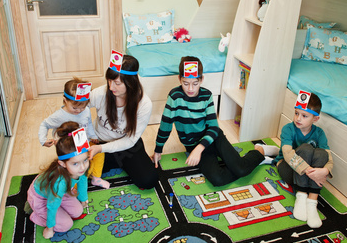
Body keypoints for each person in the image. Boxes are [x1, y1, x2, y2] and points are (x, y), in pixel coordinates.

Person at [151, 56, 264, 187]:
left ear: (201, 79)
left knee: (241, 169)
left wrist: (199, 149)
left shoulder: (207, 96)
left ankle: (259, 152)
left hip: (214, 138)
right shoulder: (174, 97)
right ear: (179, 79)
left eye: (195, 83)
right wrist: (158, 150)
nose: (190, 89)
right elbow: (166, 125)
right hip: (193, 144)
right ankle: (244, 163)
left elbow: (214, 127)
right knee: (218, 180)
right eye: (185, 83)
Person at [261, 91, 333, 228]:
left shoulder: (319, 133)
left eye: (304, 116)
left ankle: (312, 202)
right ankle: (301, 196)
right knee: (305, 149)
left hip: (307, 174)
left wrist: (324, 171)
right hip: (287, 167)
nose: (298, 119)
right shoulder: (288, 129)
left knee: (322, 154)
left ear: (315, 119)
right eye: (296, 113)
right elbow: (287, 153)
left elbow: (328, 157)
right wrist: (310, 171)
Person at [88, 52, 158, 189]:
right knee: (72, 172)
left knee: (149, 180)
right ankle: (116, 162)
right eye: (109, 81)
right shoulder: (101, 93)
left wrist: (101, 149)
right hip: (99, 142)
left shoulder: (144, 104)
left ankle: (115, 161)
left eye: (117, 83)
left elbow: (131, 140)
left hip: (126, 145)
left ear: (131, 83)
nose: (111, 87)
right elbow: (78, 110)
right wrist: (88, 134)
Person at [38, 77, 109, 188]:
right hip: (69, 148)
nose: (79, 111)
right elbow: (44, 124)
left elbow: (89, 123)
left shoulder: (85, 111)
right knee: (75, 166)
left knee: (99, 152)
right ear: (65, 100)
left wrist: (93, 136)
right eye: (75, 107)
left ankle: (96, 178)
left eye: (83, 107)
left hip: (84, 142)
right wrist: (43, 140)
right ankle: (73, 185)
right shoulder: (59, 115)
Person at [27, 121, 90, 239]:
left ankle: (60, 207)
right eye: (75, 163)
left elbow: (83, 181)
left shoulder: (81, 168)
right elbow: (52, 206)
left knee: (78, 211)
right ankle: (34, 212)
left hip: (59, 192)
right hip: (41, 198)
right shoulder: (59, 183)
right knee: (66, 225)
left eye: (85, 160)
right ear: (63, 164)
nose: (82, 167)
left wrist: (83, 199)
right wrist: (49, 228)